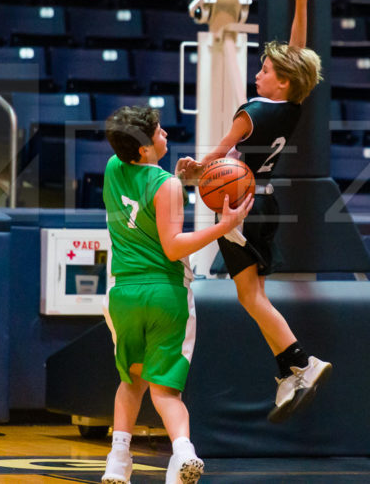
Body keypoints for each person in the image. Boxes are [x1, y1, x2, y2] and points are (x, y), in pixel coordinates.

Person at [176, 0, 332, 424]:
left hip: (238, 207)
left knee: (252, 298)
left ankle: (302, 362)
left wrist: (192, 169)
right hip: (265, 203)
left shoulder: (250, 113)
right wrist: (301, 3)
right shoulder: (291, 107)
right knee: (253, 294)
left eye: (264, 70)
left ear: (280, 81)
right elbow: (298, 54)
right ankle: (288, 370)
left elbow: (219, 154)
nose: (258, 74)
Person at [100, 105, 252, 484]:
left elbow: (143, 201)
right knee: (166, 392)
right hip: (165, 293)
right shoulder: (165, 185)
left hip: (123, 293)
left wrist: (178, 181)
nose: (165, 133)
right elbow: (173, 247)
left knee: (131, 381)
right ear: (144, 148)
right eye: (158, 132)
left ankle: (118, 460)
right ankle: (183, 452)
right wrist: (225, 225)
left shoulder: (112, 168)